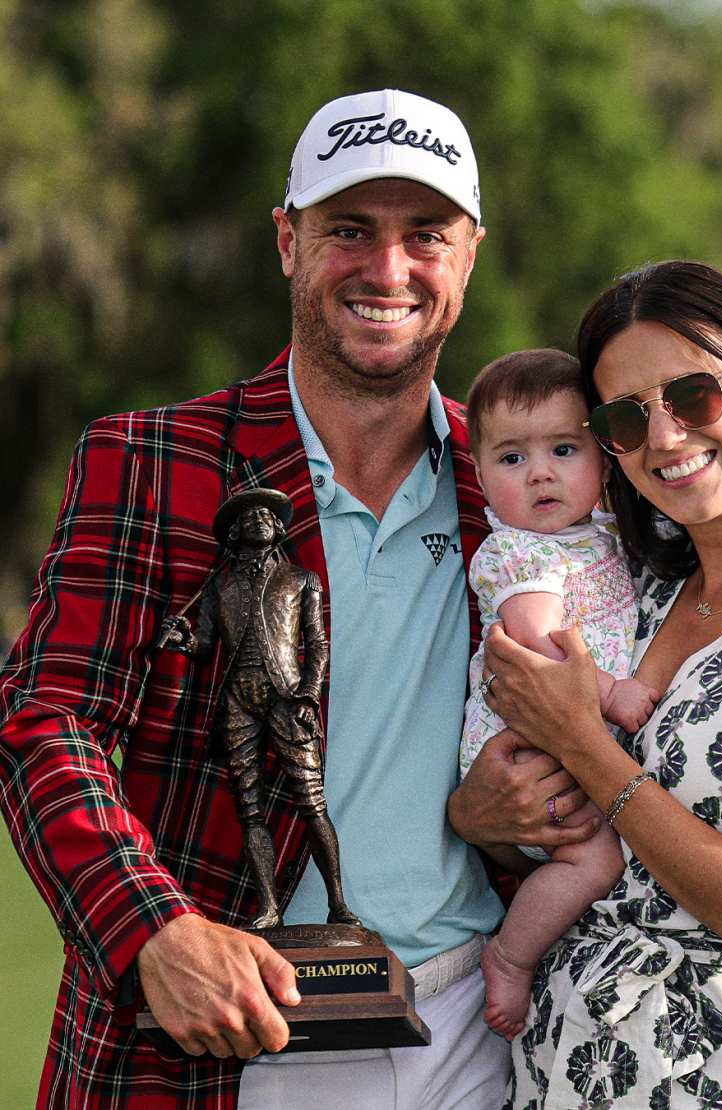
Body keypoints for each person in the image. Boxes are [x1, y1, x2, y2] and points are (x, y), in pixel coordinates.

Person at [0, 88, 549, 1110]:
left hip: (480, 1038)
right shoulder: (149, 460)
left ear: (469, 257)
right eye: (350, 230)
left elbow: (672, 650)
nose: (388, 269)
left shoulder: (521, 490)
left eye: (425, 235)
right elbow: (47, 721)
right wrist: (153, 929)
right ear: (288, 242)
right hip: (214, 1045)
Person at [466, 260, 722, 1107]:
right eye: (626, 417)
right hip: (565, 1059)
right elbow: (544, 837)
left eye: (692, 396)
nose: (662, 437)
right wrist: (478, 815)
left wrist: (586, 747)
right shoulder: (632, 585)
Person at [458, 348, 658, 1039]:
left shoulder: (604, 536)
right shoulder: (518, 553)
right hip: (525, 750)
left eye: (563, 449)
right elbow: (540, 647)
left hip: (572, 742)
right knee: (594, 859)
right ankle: (511, 957)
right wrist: (613, 693)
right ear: (480, 476)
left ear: (602, 460)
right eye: (512, 458)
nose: (540, 472)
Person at [159, 488, 360, 931]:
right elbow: (204, 646)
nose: (258, 520)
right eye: (248, 517)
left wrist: (308, 695)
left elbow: (317, 644)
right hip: (238, 700)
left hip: (288, 697)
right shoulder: (220, 586)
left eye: (266, 516)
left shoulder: (301, 579)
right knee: (248, 808)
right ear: (235, 532)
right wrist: (181, 639)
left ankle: (338, 904)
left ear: (279, 528)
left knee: (311, 800)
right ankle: (269, 908)